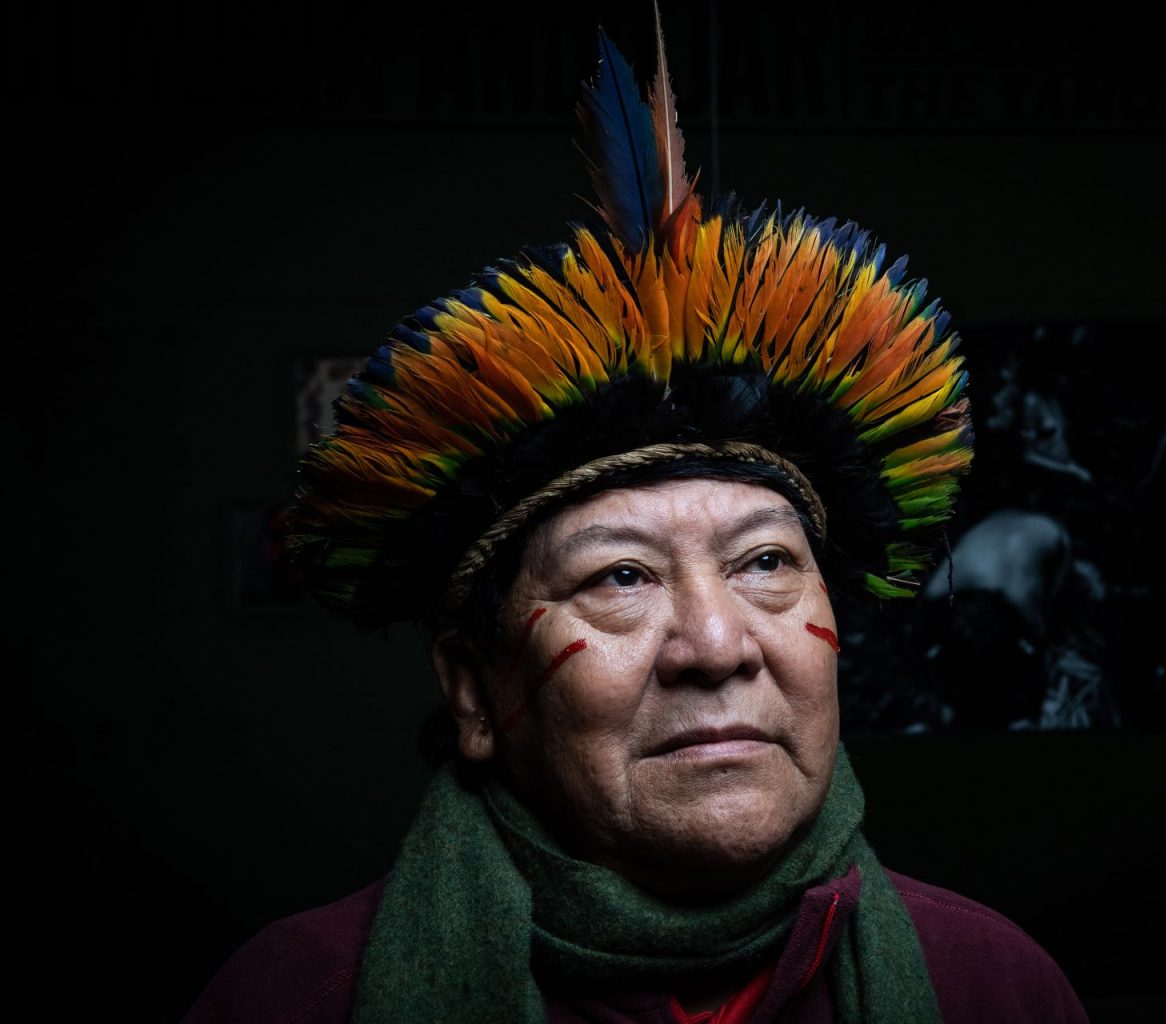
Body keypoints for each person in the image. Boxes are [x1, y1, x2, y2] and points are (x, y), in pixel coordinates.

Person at [185, 21, 1089, 1024]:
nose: (717, 645)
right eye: (621, 576)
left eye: (765, 562)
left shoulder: (994, 988)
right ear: (474, 691)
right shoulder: (295, 1000)